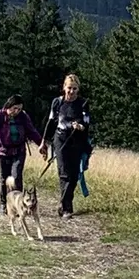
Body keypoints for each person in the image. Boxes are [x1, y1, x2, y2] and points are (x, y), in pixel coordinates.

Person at [40, 73, 94, 219]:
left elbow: (87, 123)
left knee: (74, 175)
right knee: (64, 173)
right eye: (69, 88)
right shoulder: (57, 102)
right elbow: (51, 122)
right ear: (64, 87)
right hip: (60, 139)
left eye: (75, 89)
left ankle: (63, 203)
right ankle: (66, 208)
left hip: (77, 141)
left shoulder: (83, 103)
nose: (72, 92)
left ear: (78, 89)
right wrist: (43, 142)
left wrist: (81, 126)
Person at [0, 94, 43, 215]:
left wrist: (41, 144)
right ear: (9, 105)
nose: (16, 111)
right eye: (14, 108)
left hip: (19, 151)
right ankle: (4, 203)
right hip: (3, 152)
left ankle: (19, 205)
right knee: (5, 179)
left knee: (16, 177)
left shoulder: (23, 116)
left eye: (19, 109)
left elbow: (31, 131)